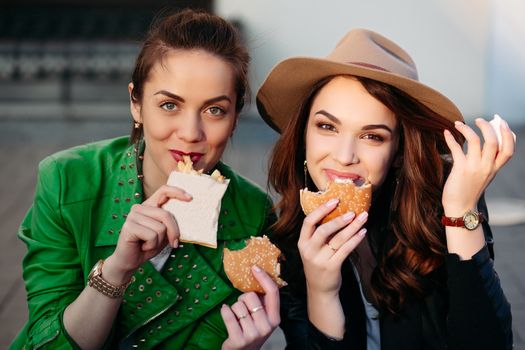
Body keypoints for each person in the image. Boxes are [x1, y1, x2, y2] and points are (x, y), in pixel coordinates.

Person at [11, 9, 280, 350]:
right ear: (136, 104)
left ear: (235, 119)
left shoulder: (253, 216)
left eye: (214, 110)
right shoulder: (67, 179)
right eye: (169, 105)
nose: (190, 133)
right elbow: (45, 343)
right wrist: (116, 271)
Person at [257, 28, 514, 349]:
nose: (344, 155)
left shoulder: (442, 205)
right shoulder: (288, 238)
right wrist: (322, 292)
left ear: (398, 153)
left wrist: (462, 214)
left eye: (372, 136)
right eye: (327, 126)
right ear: (303, 134)